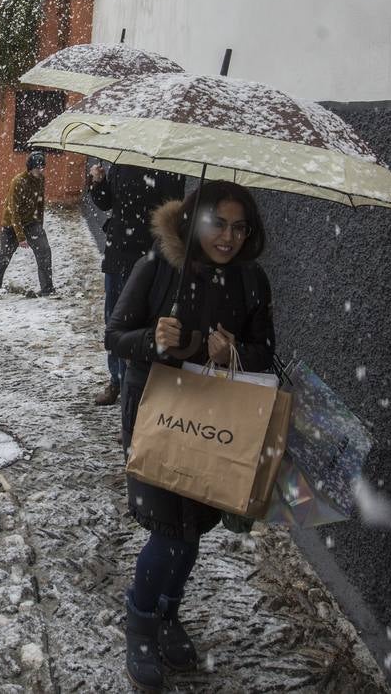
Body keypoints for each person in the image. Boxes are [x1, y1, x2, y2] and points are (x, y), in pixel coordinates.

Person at [105, 181, 274, 692]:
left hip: (217, 422)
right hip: (158, 412)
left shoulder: (251, 281)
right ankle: (140, 622)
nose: (228, 237)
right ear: (195, 219)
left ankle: (167, 612)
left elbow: (266, 353)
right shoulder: (156, 268)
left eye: (239, 226)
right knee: (167, 527)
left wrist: (233, 354)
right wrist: (154, 340)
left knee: (194, 526)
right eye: (217, 223)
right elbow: (114, 336)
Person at [87, 162, 186, 406]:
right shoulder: (121, 163)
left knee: (140, 327)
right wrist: (98, 182)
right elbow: (106, 202)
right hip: (117, 254)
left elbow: (172, 212)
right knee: (114, 321)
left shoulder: (168, 167)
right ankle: (116, 380)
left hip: (147, 260)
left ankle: (136, 388)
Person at [0, 151, 55, 297]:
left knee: (44, 251)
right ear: (30, 167)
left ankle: (47, 289)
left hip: (31, 223)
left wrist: (39, 225)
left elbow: (40, 203)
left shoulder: (41, 180)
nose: (41, 170)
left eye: (43, 167)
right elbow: (13, 211)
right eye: (38, 167)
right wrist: (21, 237)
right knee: (5, 254)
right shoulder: (18, 182)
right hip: (11, 224)